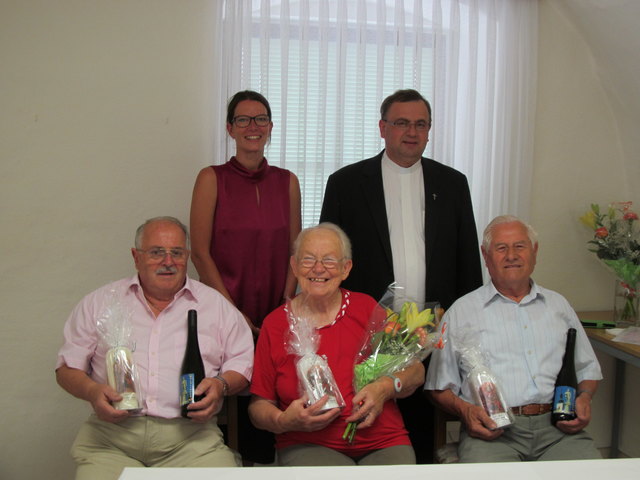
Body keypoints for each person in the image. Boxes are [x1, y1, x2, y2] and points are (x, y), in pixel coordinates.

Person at [320, 88, 483, 462]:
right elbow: (329, 261)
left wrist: (459, 324)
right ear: (383, 128)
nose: (411, 132)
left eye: (420, 124)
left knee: (423, 432)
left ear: (429, 130)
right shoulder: (346, 183)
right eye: (401, 123)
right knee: (369, 423)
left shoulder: (453, 183)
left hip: (435, 330)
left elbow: (466, 262)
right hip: (366, 331)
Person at [56, 217, 254, 480]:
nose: (168, 261)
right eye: (157, 252)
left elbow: (242, 363)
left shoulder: (215, 306)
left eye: (176, 252)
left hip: (192, 442)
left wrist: (221, 385)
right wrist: (92, 391)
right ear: (136, 257)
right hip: (111, 443)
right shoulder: (99, 303)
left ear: (187, 256)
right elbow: (67, 369)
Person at [425, 215, 603, 462]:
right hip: (493, 432)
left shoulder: (558, 306)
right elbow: (437, 387)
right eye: (501, 248)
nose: (511, 255)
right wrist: (466, 411)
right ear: (486, 257)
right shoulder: (461, 312)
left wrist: (583, 398)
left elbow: (588, 370)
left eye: (520, 246)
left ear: (534, 251)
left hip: (558, 429)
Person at [249, 223, 425, 466]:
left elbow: (416, 371)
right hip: (309, 442)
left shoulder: (366, 308)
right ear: (294, 266)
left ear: (346, 268)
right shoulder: (275, 324)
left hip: (382, 439)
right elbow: (259, 406)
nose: (318, 268)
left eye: (330, 260)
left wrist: (386, 387)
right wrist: (284, 421)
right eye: (308, 259)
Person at [190, 90, 301, 464]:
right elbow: (199, 251)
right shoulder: (211, 178)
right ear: (230, 128)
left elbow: (294, 250)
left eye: (260, 119)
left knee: (269, 392)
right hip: (223, 309)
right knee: (227, 393)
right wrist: (230, 310)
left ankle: (266, 466)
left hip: (275, 309)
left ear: (271, 127)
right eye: (243, 120)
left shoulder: (287, 181)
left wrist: (284, 304)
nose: (252, 127)